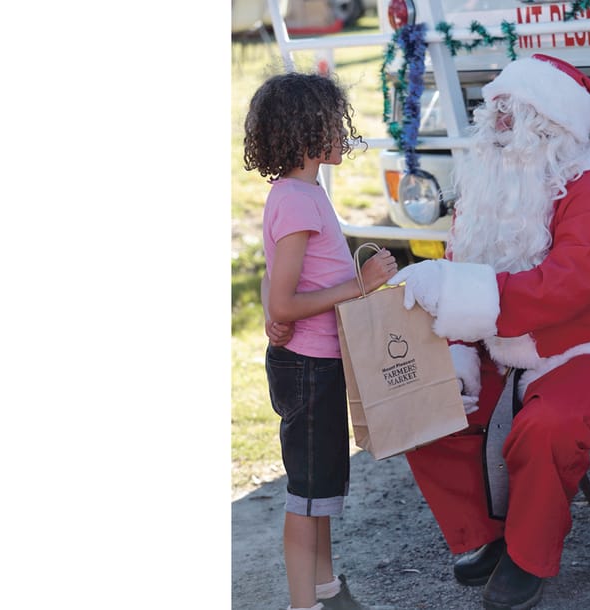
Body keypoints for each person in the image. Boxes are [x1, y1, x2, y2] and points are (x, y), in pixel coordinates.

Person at [387, 54, 590, 610]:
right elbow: (460, 267)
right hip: (498, 342)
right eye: (495, 106)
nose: (497, 120)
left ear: (552, 123)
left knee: (548, 426)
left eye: (513, 110)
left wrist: (459, 296)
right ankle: (490, 533)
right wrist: (456, 349)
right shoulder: (486, 185)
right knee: (424, 406)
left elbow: (568, 285)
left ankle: (528, 555)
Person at [244, 71, 398, 610]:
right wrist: (362, 284)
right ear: (306, 132)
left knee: (322, 488)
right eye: (333, 123)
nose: (343, 134)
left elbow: (275, 281)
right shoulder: (297, 200)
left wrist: (275, 310)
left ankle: (326, 589)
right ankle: (303, 604)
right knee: (306, 495)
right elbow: (286, 299)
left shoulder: (301, 192)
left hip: (317, 361)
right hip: (308, 367)